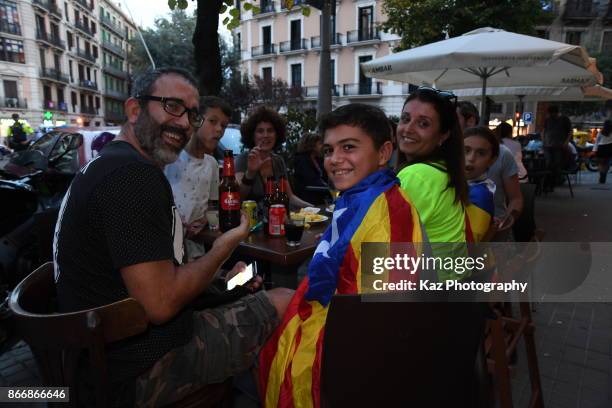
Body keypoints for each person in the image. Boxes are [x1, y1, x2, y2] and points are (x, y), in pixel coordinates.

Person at [53, 68, 293, 407]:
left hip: (102, 359)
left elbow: (152, 281)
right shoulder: (133, 176)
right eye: (172, 106)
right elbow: (162, 304)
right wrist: (222, 249)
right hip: (133, 373)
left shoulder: (104, 165)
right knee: (284, 299)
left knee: (246, 284)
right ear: (135, 110)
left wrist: (222, 280)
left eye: (192, 114)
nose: (184, 123)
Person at [259, 103, 424, 407]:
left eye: (349, 147)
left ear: (384, 153)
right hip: (329, 317)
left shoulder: (389, 215)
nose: (335, 160)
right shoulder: (362, 197)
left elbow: (375, 328)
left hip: (339, 354)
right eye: (328, 150)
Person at [395, 87, 469, 244]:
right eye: (405, 119)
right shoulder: (442, 169)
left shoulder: (417, 175)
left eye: (423, 124)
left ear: (443, 135)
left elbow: (384, 248)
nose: (408, 129)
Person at [165, 96, 230, 261]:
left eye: (223, 125)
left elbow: (212, 205)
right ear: (195, 121)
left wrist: (205, 221)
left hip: (196, 250)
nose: (219, 130)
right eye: (213, 121)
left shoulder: (212, 164)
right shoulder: (170, 159)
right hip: (166, 249)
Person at [457, 101, 523, 239]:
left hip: (493, 232)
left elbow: (516, 199)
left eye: (454, 119)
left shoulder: (503, 154)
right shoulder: (444, 153)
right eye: (465, 151)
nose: (471, 158)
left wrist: (505, 223)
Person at [236, 106, 312, 208]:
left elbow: (290, 197)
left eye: (270, 130)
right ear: (252, 135)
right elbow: (238, 197)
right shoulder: (244, 159)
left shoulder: (278, 160)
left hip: (278, 218)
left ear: (277, 135)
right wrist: (250, 173)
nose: (266, 135)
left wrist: (313, 208)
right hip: (252, 220)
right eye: (260, 131)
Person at [464, 126, 499, 242]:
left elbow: (467, 248)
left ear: (492, 160)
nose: (471, 158)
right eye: (466, 150)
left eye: (481, 153)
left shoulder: (480, 195)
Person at [292, 132, 329, 205]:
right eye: (320, 143)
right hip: (307, 198)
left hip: (320, 195)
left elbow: (326, 177)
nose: (322, 146)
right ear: (312, 145)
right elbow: (311, 180)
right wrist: (330, 189)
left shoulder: (318, 159)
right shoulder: (302, 160)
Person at [542, 105, 572, 191]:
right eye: (550, 114)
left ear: (556, 113)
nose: (551, 116)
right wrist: (543, 141)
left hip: (559, 146)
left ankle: (551, 183)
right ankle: (547, 184)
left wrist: (566, 142)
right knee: (548, 164)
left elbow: (570, 131)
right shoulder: (548, 120)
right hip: (548, 145)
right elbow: (544, 130)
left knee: (555, 164)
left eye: (552, 114)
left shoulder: (564, 119)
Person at [593, 120, 612, 184]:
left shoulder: (600, 132)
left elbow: (596, 142)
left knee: (601, 163)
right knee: (607, 163)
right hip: (610, 148)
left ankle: (601, 174)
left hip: (601, 148)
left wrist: (594, 150)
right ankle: (604, 175)